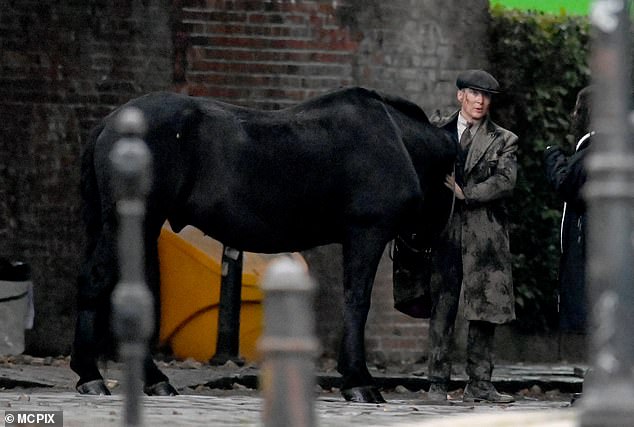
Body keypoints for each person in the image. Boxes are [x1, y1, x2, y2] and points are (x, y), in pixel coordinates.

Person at [427, 69, 518, 403]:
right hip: (446, 231)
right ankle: (437, 382)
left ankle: (479, 383)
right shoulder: (437, 130)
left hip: (485, 233)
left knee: (484, 308)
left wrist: (468, 194)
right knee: (442, 305)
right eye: (474, 94)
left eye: (486, 96)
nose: (480, 101)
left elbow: (505, 181)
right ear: (460, 95)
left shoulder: (503, 139)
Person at [543, 86, 594, 405]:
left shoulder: (594, 146)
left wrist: (552, 155)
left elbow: (566, 183)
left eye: (577, 110)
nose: (573, 116)